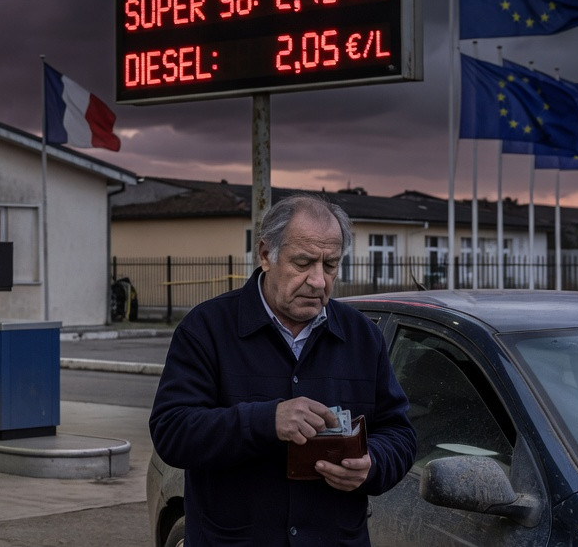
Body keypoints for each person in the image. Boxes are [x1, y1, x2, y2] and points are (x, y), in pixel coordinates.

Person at [150, 194, 416, 546]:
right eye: (303, 263)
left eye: (331, 265)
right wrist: (266, 420)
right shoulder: (207, 328)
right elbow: (172, 431)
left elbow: (400, 433)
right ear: (265, 255)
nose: (318, 281)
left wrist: (373, 462)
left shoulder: (363, 336)